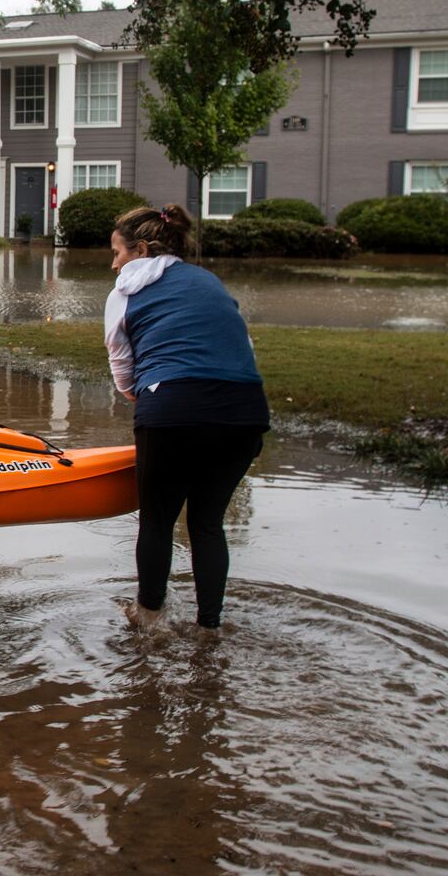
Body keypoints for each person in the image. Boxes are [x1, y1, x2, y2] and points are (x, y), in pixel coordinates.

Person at [103, 203, 268, 632]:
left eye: (117, 252)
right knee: (207, 523)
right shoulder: (210, 281)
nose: (113, 262)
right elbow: (243, 349)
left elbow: (124, 372)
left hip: (171, 407)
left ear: (140, 249)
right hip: (245, 411)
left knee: (157, 521)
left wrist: (160, 411)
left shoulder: (125, 291)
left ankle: (149, 623)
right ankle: (209, 629)